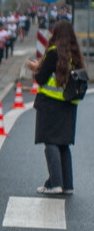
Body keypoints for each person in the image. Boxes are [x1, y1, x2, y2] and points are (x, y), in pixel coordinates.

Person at [27, 19, 85, 195]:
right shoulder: (76, 55)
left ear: (56, 34)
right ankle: (67, 185)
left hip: (50, 104)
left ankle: (55, 183)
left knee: (51, 142)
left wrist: (35, 69)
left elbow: (41, 78)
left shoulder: (53, 52)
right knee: (63, 144)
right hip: (68, 105)